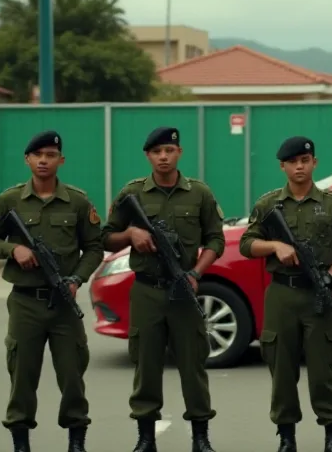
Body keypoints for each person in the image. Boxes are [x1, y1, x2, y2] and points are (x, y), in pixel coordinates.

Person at [0, 130, 104, 452]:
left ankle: (76, 441)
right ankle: (21, 443)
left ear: (61, 160)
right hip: (25, 303)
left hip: (63, 303)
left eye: (50, 155)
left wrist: (76, 279)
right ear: (28, 159)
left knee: (73, 375)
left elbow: (94, 248)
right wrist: (13, 251)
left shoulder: (77, 201)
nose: (44, 161)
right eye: (38, 155)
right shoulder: (10, 201)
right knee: (22, 377)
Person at [101, 126, 226, 452]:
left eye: (169, 151)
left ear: (179, 153)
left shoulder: (199, 193)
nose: (163, 157)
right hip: (147, 291)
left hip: (184, 289)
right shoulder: (133, 194)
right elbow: (105, 236)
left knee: (193, 365)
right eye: (157, 152)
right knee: (146, 364)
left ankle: (201, 437)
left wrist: (197, 272)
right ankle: (145, 437)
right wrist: (130, 235)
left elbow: (216, 239)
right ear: (148, 156)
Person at [239, 136, 332, 452]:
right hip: (282, 295)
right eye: (293, 162)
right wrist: (275, 245)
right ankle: (286, 437)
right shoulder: (268, 205)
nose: (299, 166)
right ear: (283, 166)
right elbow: (247, 244)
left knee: (323, 372)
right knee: (281, 370)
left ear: (314, 163)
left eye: (305, 160)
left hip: (319, 295)